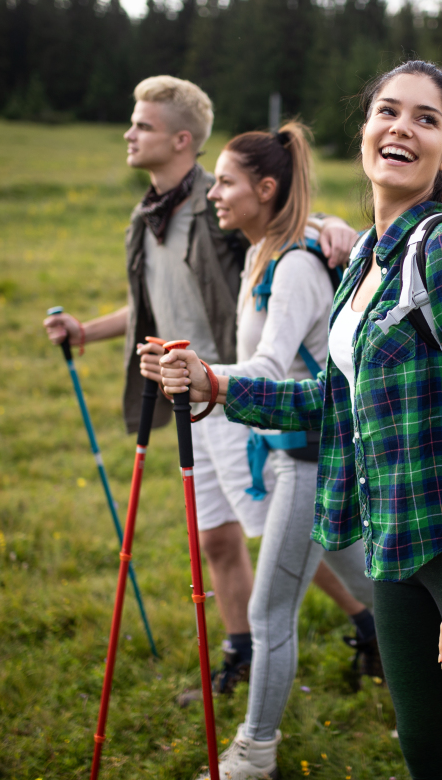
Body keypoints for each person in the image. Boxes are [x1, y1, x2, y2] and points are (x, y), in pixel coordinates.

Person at [160, 60, 442, 779]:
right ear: (365, 131)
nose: (401, 128)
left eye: (425, 118)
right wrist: (214, 384)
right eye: (388, 111)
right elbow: (331, 398)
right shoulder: (365, 262)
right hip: (396, 545)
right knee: (426, 748)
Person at [42, 75, 366, 693]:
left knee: (277, 532)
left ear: (181, 140)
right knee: (220, 538)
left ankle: (366, 621)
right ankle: (245, 649)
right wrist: (87, 331)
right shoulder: (148, 215)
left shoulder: (215, 207)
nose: (130, 134)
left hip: (235, 391)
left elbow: (280, 216)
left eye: (143, 125)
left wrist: (330, 224)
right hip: (193, 392)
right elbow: (152, 309)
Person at [154, 120, 377, 779]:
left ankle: (255, 756)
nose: (212, 193)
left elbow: (274, 367)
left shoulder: (297, 265)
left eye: (225, 182)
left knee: (269, 608)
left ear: (267, 188)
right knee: (380, 585)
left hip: (313, 458)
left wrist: (209, 378)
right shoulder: (262, 254)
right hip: (290, 453)